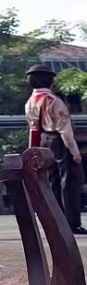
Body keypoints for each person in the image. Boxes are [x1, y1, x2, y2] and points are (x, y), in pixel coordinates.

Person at [25, 63, 86, 234]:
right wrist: (75, 153)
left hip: (43, 141)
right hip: (59, 141)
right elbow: (65, 131)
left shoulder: (30, 102)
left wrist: (33, 150)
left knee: (51, 182)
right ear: (50, 80)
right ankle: (72, 222)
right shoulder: (54, 101)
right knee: (68, 181)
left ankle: (56, 222)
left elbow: (33, 129)